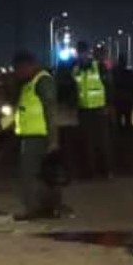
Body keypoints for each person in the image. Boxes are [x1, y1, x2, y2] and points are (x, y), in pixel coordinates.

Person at [12, 51, 62, 220]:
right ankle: (48, 208)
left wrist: (53, 139)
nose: (17, 73)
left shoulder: (42, 81)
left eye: (18, 69)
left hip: (37, 136)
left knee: (29, 174)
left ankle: (32, 210)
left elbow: (51, 110)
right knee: (44, 175)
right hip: (35, 135)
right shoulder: (30, 82)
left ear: (29, 66)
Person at [73, 41, 114, 178]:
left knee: (103, 142)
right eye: (79, 53)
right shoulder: (76, 69)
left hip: (99, 110)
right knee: (87, 143)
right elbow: (72, 89)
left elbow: (109, 86)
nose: (81, 55)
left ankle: (106, 171)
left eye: (83, 52)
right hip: (84, 110)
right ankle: (90, 172)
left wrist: (109, 106)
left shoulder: (98, 67)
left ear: (88, 53)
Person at [113, 53, 133, 129]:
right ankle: (128, 136)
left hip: (118, 98)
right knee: (128, 119)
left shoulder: (115, 72)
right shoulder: (129, 73)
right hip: (127, 98)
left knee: (118, 119)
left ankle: (119, 136)